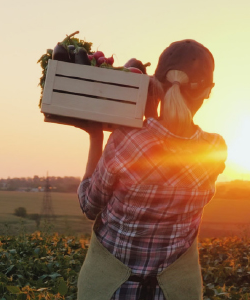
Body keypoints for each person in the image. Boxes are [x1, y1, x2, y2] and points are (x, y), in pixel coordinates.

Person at [75, 40, 227, 300]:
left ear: (155, 84)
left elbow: (90, 205)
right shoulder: (214, 149)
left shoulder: (127, 139)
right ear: (206, 92)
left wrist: (95, 136)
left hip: (111, 290)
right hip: (173, 293)